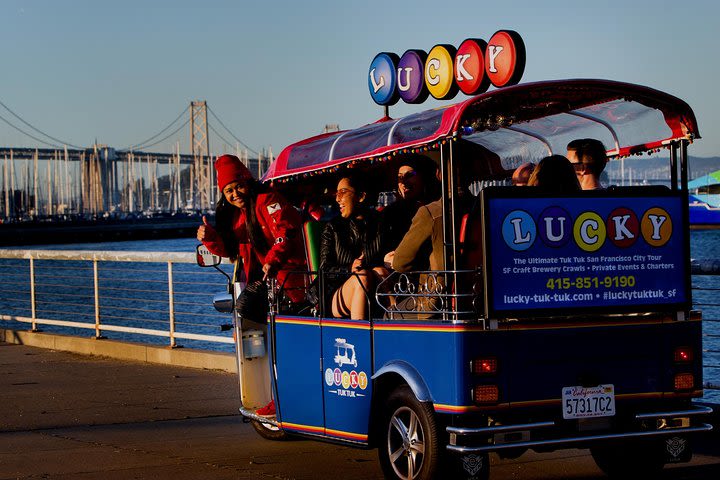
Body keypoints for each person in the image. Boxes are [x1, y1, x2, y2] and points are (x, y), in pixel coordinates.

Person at [196, 154, 307, 417]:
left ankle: (283, 401)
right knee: (267, 342)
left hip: (290, 282)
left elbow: (286, 231)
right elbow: (229, 249)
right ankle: (276, 397)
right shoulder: (236, 216)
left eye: (238, 186)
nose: (235, 194)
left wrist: (272, 261)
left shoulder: (268, 200)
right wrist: (210, 238)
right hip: (270, 286)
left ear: (248, 180)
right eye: (228, 191)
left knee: (283, 343)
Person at [320, 172, 388, 320]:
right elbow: (324, 269)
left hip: (372, 286)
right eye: (336, 193)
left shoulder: (380, 223)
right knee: (362, 277)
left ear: (361, 197)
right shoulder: (333, 227)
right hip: (337, 292)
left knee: (381, 272)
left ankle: (397, 325)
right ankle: (359, 336)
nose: (338, 198)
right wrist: (349, 268)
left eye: (343, 192)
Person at [382, 155, 439, 251]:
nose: (403, 181)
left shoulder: (436, 208)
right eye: (399, 177)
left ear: (424, 177)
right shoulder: (390, 213)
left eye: (410, 175)